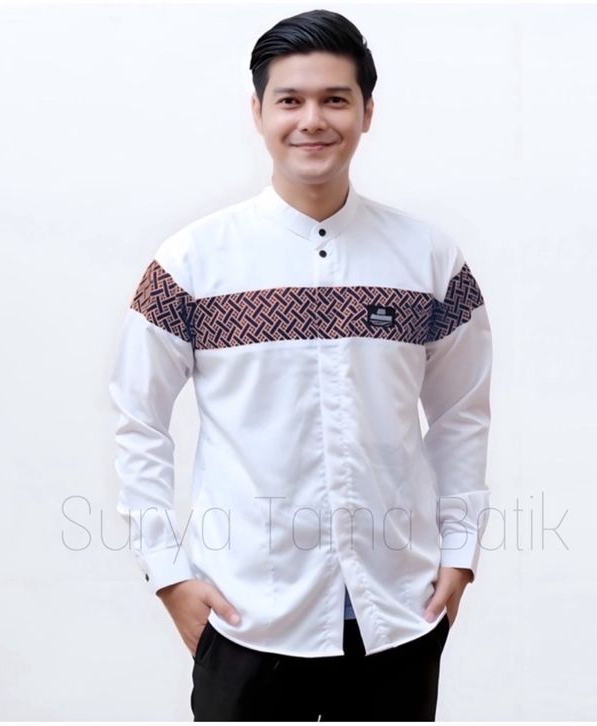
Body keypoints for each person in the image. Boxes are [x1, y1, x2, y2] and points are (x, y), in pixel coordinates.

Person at [109, 8, 493, 722]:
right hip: (247, 614)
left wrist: (460, 555)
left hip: (395, 612)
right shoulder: (191, 263)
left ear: (367, 112)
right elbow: (139, 423)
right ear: (258, 112)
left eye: (334, 99)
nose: (312, 120)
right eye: (290, 100)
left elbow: (461, 416)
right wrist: (168, 576)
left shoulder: (430, 261)